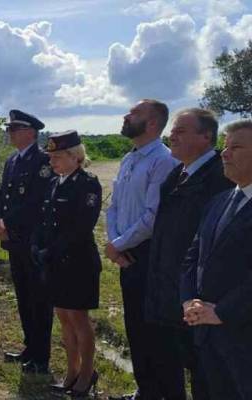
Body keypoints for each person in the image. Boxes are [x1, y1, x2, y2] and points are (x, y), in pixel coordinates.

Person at [145, 108, 232, 400]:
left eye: (181, 131)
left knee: (205, 378)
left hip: (199, 300)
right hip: (169, 294)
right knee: (171, 367)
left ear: (206, 137)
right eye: (173, 130)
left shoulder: (220, 179)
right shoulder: (176, 175)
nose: (172, 136)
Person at [106, 99, 179, 400]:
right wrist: (114, 244)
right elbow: (114, 207)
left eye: (134, 113)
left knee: (157, 332)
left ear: (152, 124)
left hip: (149, 255)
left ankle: (166, 392)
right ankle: (146, 390)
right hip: (126, 255)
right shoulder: (129, 159)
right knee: (135, 327)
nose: (126, 116)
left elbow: (153, 216)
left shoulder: (163, 161)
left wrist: (118, 245)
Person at [180, 119, 252, 400]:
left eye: (236, 147)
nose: (224, 153)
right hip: (206, 331)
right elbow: (193, 256)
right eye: (225, 146)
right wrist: (188, 299)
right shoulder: (219, 201)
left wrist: (222, 311)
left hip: (242, 335)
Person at [31, 130, 102, 397]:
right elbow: (43, 221)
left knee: (79, 319)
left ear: (75, 156)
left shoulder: (87, 183)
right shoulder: (55, 183)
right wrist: (37, 246)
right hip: (54, 262)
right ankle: (71, 371)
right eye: (50, 156)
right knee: (63, 318)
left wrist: (50, 251)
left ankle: (87, 373)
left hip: (77, 262)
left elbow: (80, 228)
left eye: (58, 156)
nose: (52, 161)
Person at [0, 109, 54, 373]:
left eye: (14, 129)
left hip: (32, 240)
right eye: (9, 129)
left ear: (30, 132)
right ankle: (29, 347)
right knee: (23, 295)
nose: (9, 133)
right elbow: (2, 193)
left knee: (39, 299)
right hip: (14, 240)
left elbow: (35, 203)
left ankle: (41, 355)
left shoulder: (42, 161)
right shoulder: (12, 161)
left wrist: (7, 223)